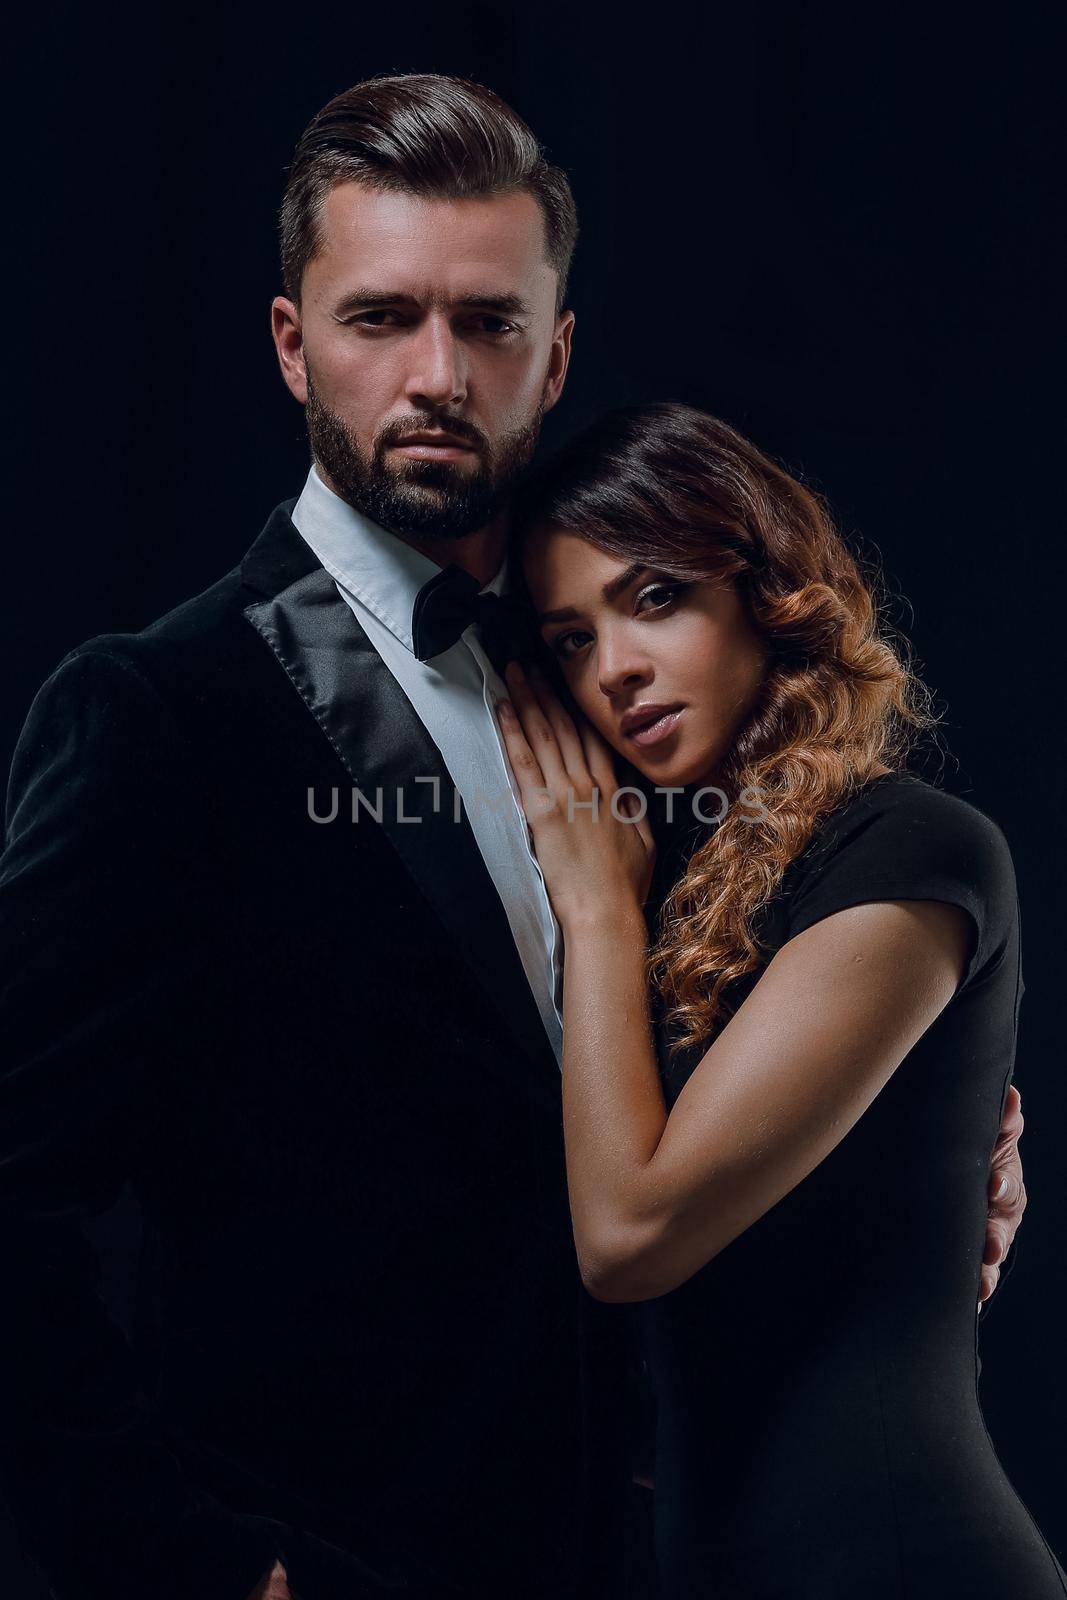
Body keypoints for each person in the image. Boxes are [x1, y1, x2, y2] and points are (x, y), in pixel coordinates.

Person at [0, 77, 1025, 1600]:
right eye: (378, 319)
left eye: (486, 325)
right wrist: (186, 1565)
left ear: (550, 356)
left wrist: (923, 1195)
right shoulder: (156, 714)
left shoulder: (632, 686)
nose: (436, 374)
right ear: (292, 346)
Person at [497, 402, 1064, 1598]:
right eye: (567, 639)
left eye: (654, 598)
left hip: (904, 1563)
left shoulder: (909, 851)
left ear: (762, 591)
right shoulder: (675, 890)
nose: (615, 668)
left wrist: (595, 912)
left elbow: (630, 1236)